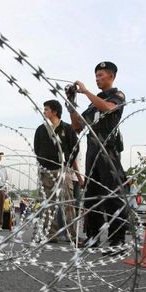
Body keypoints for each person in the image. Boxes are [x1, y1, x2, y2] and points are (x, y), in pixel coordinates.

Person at [68, 61, 129, 249]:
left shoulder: (116, 95)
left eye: (101, 75)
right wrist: (71, 103)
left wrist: (86, 92)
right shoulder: (94, 103)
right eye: (96, 76)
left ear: (111, 76)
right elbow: (77, 126)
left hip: (108, 151)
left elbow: (109, 108)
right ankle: (92, 237)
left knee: (113, 195)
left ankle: (117, 239)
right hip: (92, 152)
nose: (97, 79)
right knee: (92, 197)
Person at [34, 99, 81, 243]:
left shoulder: (67, 129)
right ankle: (50, 234)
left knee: (68, 203)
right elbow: (37, 149)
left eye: (46, 109)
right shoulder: (41, 130)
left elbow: (75, 148)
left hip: (62, 170)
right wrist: (44, 161)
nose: (44, 112)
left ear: (55, 112)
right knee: (49, 204)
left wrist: (66, 162)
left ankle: (72, 234)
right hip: (47, 171)